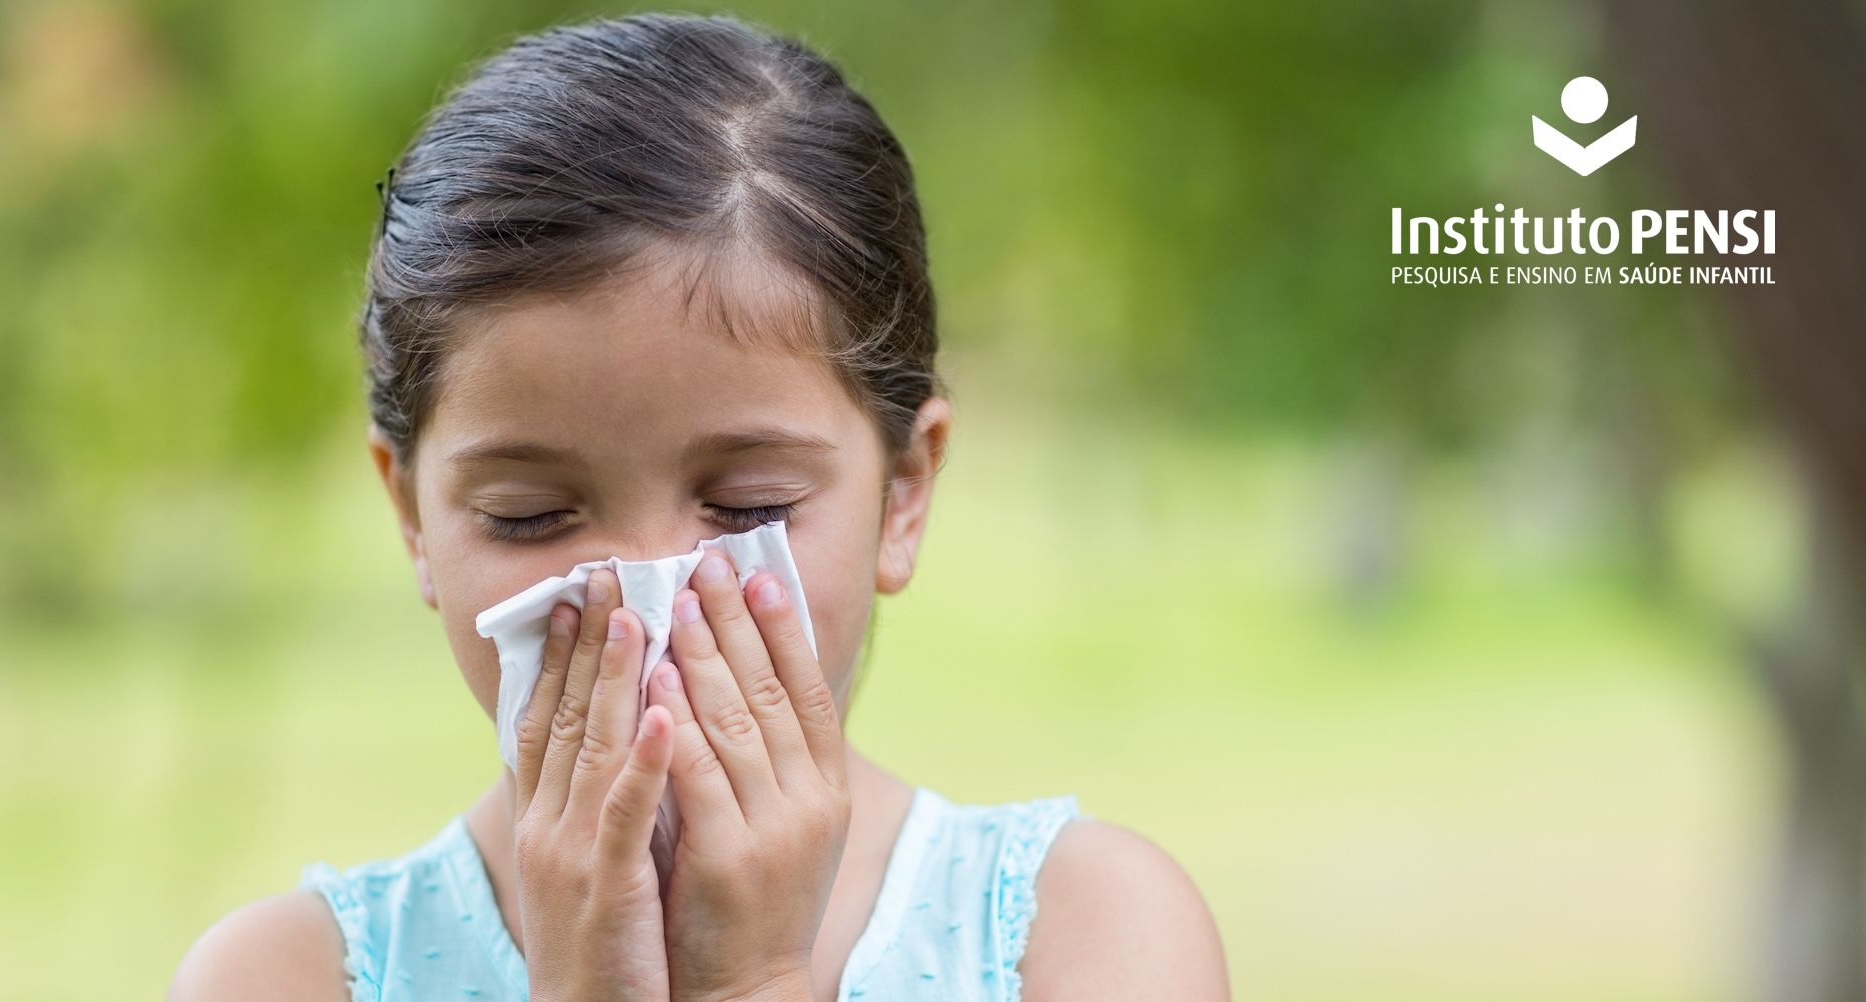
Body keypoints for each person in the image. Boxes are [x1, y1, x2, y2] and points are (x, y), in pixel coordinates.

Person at [169, 12, 1226, 1001]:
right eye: (530, 513)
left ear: (902, 495)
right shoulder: (289, 976)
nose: (643, 597)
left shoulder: (1083, 932)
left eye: (743, 502)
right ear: (413, 519)